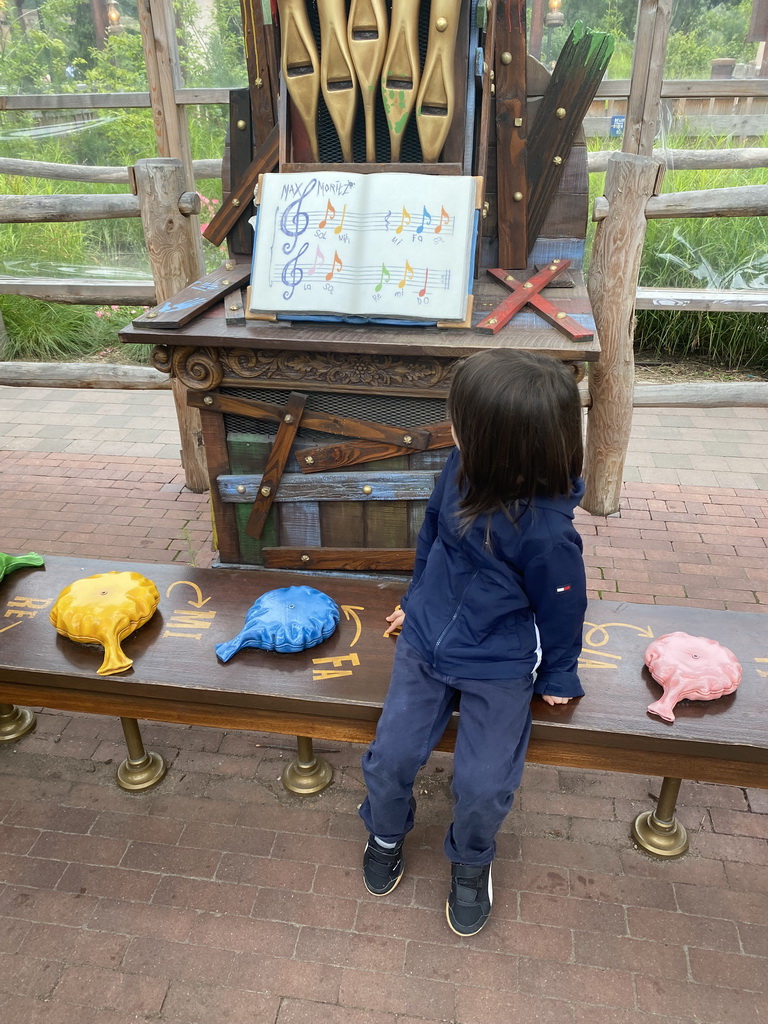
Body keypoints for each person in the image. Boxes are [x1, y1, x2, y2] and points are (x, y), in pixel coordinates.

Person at [358, 349, 587, 937]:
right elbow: (431, 533)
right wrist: (412, 602)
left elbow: (563, 607)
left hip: (499, 661)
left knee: (483, 785)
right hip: (427, 642)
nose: (451, 430)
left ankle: (471, 860)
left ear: (501, 445)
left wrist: (559, 673)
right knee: (391, 758)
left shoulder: (548, 533)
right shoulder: (458, 470)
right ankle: (385, 833)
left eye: (461, 422)